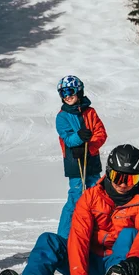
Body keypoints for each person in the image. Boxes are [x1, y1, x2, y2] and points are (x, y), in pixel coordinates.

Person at [0, 144, 139, 275]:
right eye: (118, 177)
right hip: (88, 263)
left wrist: (134, 261)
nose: (123, 184)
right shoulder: (90, 197)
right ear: (109, 173)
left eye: (131, 179)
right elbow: (79, 237)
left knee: (130, 233)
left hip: (122, 266)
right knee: (48, 240)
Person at [54, 75, 107, 238]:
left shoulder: (90, 112)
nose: (67, 96)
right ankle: (64, 237)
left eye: (70, 91)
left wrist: (90, 146)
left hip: (91, 160)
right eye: (63, 93)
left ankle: (94, 234)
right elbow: (68, 139)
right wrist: (80, 136)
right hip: (74, 162)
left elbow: (101, 133)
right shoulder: (62, 116)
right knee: (77, 198)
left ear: (79, 91)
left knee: (96, 196)